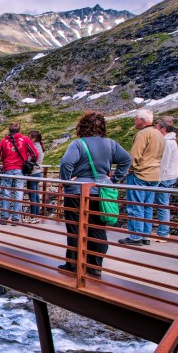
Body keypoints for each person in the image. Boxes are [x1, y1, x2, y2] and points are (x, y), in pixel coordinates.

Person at [58, 112, 132, 278]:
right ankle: (95, 266)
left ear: (83, 126)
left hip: (77, 193)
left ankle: (73, 265)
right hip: (101, 191)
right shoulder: (111, 144)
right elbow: (127, 159)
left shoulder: (78, 144)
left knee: (75, 229)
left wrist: (68, 182)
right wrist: (113, 179)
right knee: (98, 229)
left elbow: (66, 163)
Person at [119, 109, 165, 246]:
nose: (135, 122)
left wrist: (129, 170)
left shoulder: (143, 134)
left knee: (135, 205)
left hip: (140, 174)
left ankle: (135, 236)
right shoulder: (158, 134)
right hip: (154, 174)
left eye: (136, 119)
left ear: (141, 120)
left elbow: (135, 155)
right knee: (147, 206)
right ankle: (146, 235)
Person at [0, 122, 38, 224]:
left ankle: (4, 217)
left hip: (7, 169)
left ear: (9, 130)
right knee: (19, 192)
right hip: (20, 169)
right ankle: (15, 218)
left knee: (6, 193)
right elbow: (35, 153)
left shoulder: (4, 141)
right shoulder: (25, 139)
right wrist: (30, 162)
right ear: (19, 130)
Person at [152, 117, 178, 242]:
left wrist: (158, 180)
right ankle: (163, 232)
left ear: (163, 128)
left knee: (162, 205)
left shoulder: (168, 143)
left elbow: (164, 163)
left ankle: (163, 233)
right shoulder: (171, 141)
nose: (156, 129)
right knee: (163, 204)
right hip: (170, 176)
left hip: (165, 178)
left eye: (157, 127)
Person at [25, 130, 45, 223]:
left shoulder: (34, 147)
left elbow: (30, 159)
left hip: (33, 173)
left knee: (32, 195)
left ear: (34, 138)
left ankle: (33, 216)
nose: (29, 139)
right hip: (38, 172)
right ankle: (36, 215)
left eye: (30, 137)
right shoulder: (40, 146)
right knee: (36, 195)